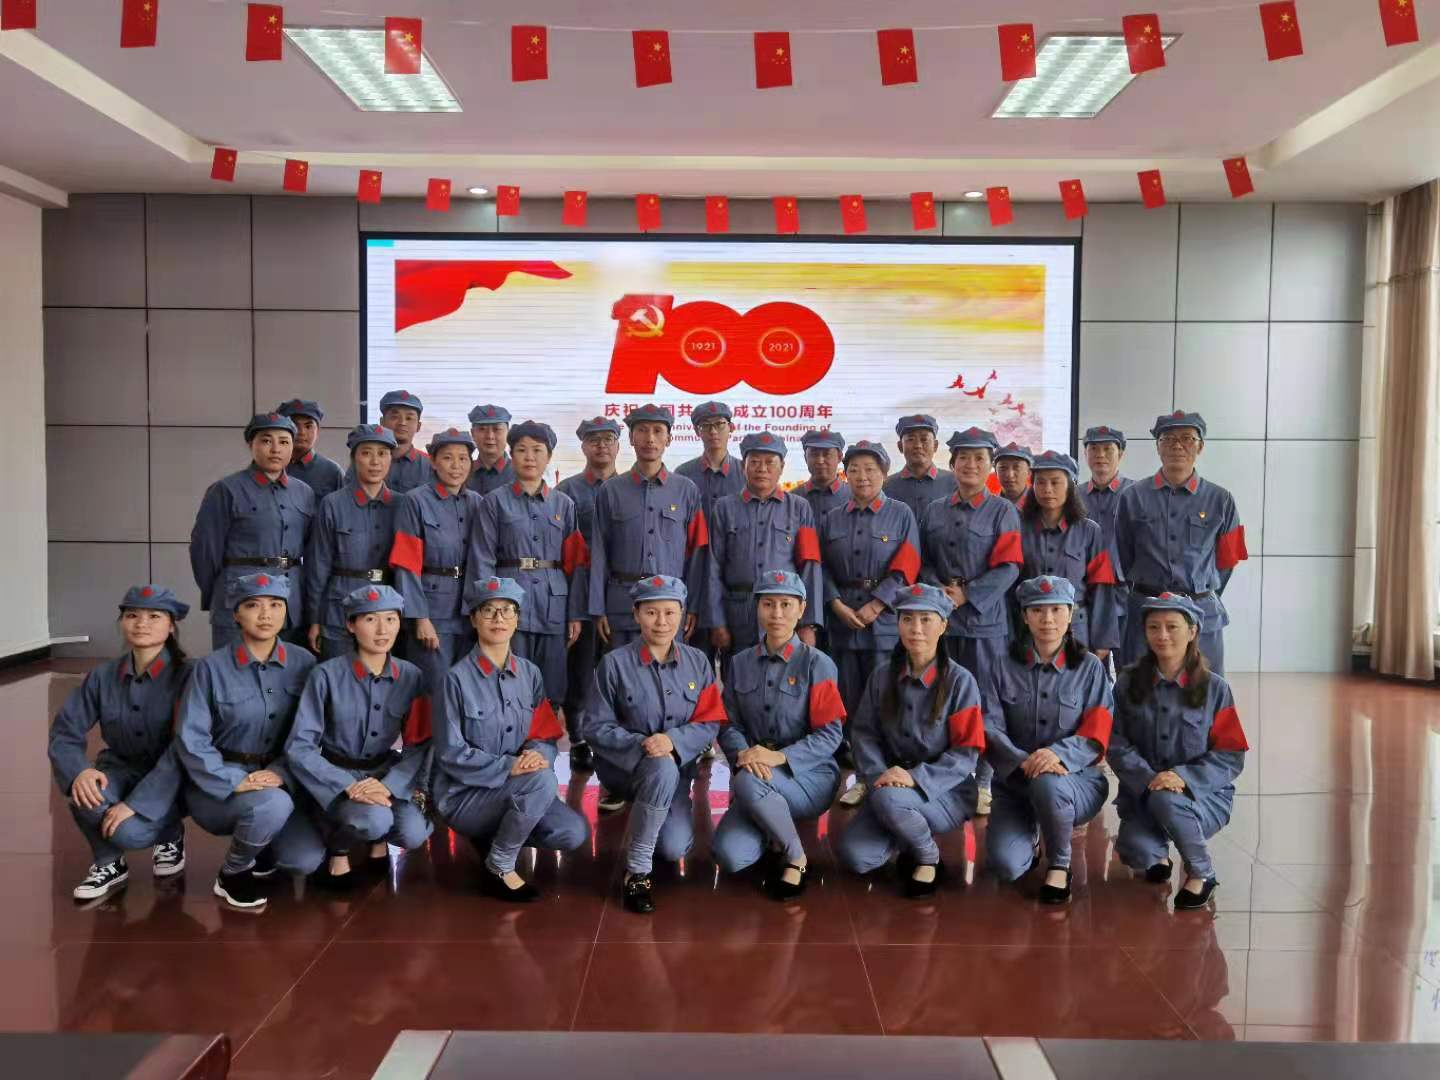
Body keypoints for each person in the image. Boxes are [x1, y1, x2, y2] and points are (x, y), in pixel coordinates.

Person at [433, 577, 590, 901]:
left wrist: (537, 754)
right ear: (474, 619)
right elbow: (450, 752)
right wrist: (510, 766)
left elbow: (544, 733)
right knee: (542, 781)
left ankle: (495, 837)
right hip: (466, 795)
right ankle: (500, 865)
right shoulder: (455, 680)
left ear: (517, 619)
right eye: (488, 610)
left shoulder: (530, 674)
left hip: (518, 787)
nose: (498, 618)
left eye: (507, 611)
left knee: (571, 832)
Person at [175, 573, 323, 910]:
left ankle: (262, 843)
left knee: (304, 860)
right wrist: (234, 780)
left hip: (280, 779)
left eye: (276, 605)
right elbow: (191, 737)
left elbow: (312, 733)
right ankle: (233, 871)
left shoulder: (305, 663)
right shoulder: (210, 668)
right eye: (253, 605)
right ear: (236, 614)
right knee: (272, 805)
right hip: (220, 786)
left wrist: (281, 772)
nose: (266, 614)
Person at [580, 575, 726, 914]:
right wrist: (644, 745)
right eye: (651, 612)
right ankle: (637, 872)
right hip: (626, 770)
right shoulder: (614, 664)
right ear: (635, 614)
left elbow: (710, 721)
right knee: (660, 766)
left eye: (670, 612)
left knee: (674, 848)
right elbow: (594, 726)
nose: (661, 622)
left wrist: (672, 741)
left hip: (677, 773)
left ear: (682, 615)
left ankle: (649, 814)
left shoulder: (698, 662)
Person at [835, 583, 985, 899]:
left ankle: (929, 857)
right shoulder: (881, 676)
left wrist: (912, 778)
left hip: (946, 790)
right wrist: (880, 776)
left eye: (926, 619)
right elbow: (864, 733)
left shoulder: (961, 682)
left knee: (890, 802)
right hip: (887, 786)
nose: (915, 629)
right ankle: (907, 833)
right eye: (907, 619)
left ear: (943, 625)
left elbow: (966, 752)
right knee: (856, 856)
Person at [49, 585, 192, 901]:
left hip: (171, 774)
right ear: (122, 622)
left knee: (128, 832)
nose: (141, 623)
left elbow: (186, 745)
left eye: (154, 616)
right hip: (119, 767)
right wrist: (80, 771)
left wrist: (136, 804)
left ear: (171, 626)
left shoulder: (189, 675)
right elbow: (65, 732)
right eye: (132, 615)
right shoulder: (103, 676)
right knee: (86, 795)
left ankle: (170, 833)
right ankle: (109, 862)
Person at [285, 584, 432, 888]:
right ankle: (337, 848)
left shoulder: (411, 676)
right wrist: (347, 785)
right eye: (370, 619)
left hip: (383, 773)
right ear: (351, 625)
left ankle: (374, 839)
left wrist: (389, 785)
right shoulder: (325, 675)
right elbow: (300, 746)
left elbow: (419, 743)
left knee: (413, 833)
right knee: (373, 820)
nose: (382, 630)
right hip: (335, 775)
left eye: (390, 619)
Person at [1109, 592, 1248, 910]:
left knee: (1167, 800)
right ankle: (1159, 849)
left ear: (1192, 631)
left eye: (1172, 626)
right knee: (1137, 852)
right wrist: (1149, 779)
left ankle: (1202, 873)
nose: (1162, 635)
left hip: (1204, 797)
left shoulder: (1215, 688)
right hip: (1144, 795)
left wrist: (1183, 777)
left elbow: (1231, 753)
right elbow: (1115, 743)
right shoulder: (1127, 684)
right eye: (1153, 627)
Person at [981, 576, 1112, 905]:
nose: (1048, 619)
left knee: (1049, 784)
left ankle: (1060, 864)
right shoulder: (1001, 666)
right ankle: (1034, 832)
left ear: (1070, 614)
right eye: (1037, 610)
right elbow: (989, 726)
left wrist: (1058, 755)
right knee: (1006, 865)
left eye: (1056, 610)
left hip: (1076, 782)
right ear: (1025, 617)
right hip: (1016, 783)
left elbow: (1098, 729)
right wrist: (1023, 760)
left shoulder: (1089, 668)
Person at [714, 570, 846, 899]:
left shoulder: (818, 664)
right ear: (757, 608)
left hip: (809, 775)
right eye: (768, 604)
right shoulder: (740, 663)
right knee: (730, 856)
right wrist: (744, 755)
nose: (777, 613)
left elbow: (830, 735)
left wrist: (777, 757)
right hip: (754, 771)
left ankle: (795, 857)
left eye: (786, 604)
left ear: (801, 609)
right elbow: (728, 724)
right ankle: (772, 823)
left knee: (748, 784)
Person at [919, 426, 1023, 815]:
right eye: (964, 457)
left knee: (984, 702)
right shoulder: (934, 510)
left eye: (980, 458)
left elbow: (1009, 566)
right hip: (942, 622)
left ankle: (983, 778)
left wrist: (968, 594)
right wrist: (939, 592)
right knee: (940, 696)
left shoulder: (1003, 511)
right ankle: (946, 774)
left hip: (985, 623)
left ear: (990, 466)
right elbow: (923, 560)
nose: (971, 465)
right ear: (952, 463)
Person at [819, 440, 921, 806]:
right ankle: (862, 776)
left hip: (884, 623)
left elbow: (907, 565)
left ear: (884, 473)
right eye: (855, 470)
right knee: (850, 700)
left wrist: (877, 605)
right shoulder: (832, 518)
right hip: (843, 622)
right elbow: (821, 568)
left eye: (871, 470)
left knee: (886, 699)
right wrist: (835, 604)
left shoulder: (901, 514)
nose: (862, 476)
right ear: (845, 474)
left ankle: (889, 773)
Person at [470, 420, 588, 720]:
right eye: (522, 450)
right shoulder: (494, 502)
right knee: (508, 675)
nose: (530, 457)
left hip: (553, 605)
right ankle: (510, 738)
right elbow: (483, 558)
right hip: (509, 604)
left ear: (549, 457)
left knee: (553, 682)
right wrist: (487, 610)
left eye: (537, 450)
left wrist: (575, 613)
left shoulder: (564, 504)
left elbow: (575, 562)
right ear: (512, 455)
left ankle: (544, 742)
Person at [1116, 411, 1248, 672]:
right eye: (1168, 439)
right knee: (1139, 687)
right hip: (1147, 611)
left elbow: (1229, 559)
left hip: (1201, 613)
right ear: (1157, 447)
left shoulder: (1221, 499)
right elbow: (1124, 552)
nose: (1177, 445)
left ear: (1201, 446)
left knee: (1203, 688)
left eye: (1187, 438)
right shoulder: (1132, 497)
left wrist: (1199, 591)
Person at [587, 403, 709, 650]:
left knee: (667, 670)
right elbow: (599, 552)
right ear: (631, 438)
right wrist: (598, 608)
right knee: (622, 670)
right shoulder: (611, 490)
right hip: (622, 606)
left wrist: (693, 605)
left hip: (670, 605)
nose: (650, 438)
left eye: (657, 431)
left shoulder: (686, 491)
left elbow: (697, 552)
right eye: (642, 430)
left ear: (669, 439)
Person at [190, 411, 315, 650]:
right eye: (266, 441)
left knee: (286, 669)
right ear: (251, 444)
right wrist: (219, 594)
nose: (276, 449)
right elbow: (204, 551)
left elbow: (312, 551)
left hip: (290, 602)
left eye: (284, 442)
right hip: (238, 600)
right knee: (234, 667)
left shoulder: (304, 492)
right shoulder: (226, 490)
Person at [388, 428, 484, 733]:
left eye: (463, 458)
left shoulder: (477, 503)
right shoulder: (416, 501)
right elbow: (406, 564)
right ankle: (425, 758)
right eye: (447, 458)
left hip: (468, 611)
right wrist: (419, 617)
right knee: (432, 690)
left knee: (467, 689)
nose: (456, 466)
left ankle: (459, 755)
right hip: (433, 611)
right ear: (433, 462)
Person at [705, 432, 824, 660]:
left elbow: (810, 566)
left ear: (782, 467)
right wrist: (717, 622)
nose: (762, 469)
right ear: (744, 466)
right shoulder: (724, 508)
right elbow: (713, 566)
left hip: (784, 614)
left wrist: (808, 623)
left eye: (770, 462)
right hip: (738, 614)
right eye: (755, 462)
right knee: (738, 675)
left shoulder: (800, 508)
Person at [557, 415, 622, 771]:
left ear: (618, 445)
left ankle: (615, 739)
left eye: (608, 439)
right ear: (582, 445)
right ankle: (578, 739)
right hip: (580, 590)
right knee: (580, 670)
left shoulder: (631, 487)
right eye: (594, 440)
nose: (601, 446)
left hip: (619, 592)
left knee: (618, 670)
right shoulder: (567, 491)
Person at [303, 423, 398, 658]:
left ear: (390, 459)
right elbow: (318, 566)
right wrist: (315, 619)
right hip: (340, 609)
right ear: (354, 458)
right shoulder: (333, 504)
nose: (375, 462)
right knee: (339, 673)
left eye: (382, 453)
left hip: (387, 608)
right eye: (366, 453)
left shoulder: (403, 505)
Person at [1017, 451, 1121, 659]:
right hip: (1029, 628)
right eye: (1040, 482)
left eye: (1055, 482)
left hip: (1076, 627)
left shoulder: (1089, 531)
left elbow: (1101, 586)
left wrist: (1102, 640)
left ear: (1071, 486)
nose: (1047, 489)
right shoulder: (1018, 527)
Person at [675, 400, 744, 521]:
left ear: (731, 427)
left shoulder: (746, 472)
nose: (713, 431)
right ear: (697, 431)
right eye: (706, 425)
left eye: (719, 424)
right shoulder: (683, 474)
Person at [883, 414, 958, 520]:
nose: (918, 445)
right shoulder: (886, 486)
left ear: (935, 445)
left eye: (924, 439)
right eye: (911, 439)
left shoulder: (955, 483)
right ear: (900, 446)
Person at [1079, 425, 1134, 555]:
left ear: (1120, 454)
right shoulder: (1074, 496)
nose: (1100, 454)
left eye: (1107, 449)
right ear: (1085, 454)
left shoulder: (1136, 493)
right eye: (1094, 449)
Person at [277, 398, 344, 500]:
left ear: (318, 431)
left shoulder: (332, 472)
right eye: (294, 425)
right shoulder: (272, 467)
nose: (301, 432)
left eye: (308, 426)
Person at [375, 389, 434, 492]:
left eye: (409, 418)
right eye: (395, 417)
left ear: (418, 426)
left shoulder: (430, 465)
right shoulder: (366, 461)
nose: (402, 423)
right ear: (382, 422)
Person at [797, 429, 851, 522]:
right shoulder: (792, 500)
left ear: (839, 457)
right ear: (805, 458)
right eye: (814, 455)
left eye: (827, 454)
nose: (820, 461)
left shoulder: (856, 498)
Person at [466, 403, 517, 496]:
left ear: (508, 433)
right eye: (482, 429)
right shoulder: (461, 473)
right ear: (472, 434)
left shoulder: (520, 473)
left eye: (497, 429)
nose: (490, 436)